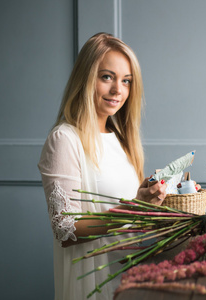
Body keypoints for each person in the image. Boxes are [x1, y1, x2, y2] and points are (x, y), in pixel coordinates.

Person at [38, 32, 167, 300]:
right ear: (86, 78)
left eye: (126, 81)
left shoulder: (121, 139)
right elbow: (66, 229)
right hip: (95, 287)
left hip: (130, 278)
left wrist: (158, 198)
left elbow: (133, 215)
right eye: (107, 76)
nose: (117, 90)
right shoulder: (65, 140)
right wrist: (134, 207)